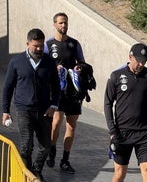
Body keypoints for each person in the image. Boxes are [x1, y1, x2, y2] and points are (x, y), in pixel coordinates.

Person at [1, 28, 60, 182]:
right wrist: (5, 110)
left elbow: (56, 86)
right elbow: (7, 87)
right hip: (24, 110)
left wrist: (54, 105)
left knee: (46, 146)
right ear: (27, 44)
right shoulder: (17, 61)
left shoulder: (48, 62)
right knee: (26, 146)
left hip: (44, 111)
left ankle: (35, 170)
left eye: (41, 45)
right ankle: (25, 177)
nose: (39, 49)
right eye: (35, 46)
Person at [104, 43, 147, 182]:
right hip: (122, 132)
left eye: (144, 61)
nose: (141, 64)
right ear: (130, 57)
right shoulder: (116, 76)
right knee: (120, 173)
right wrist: (112, 130)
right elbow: (107, 103)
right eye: (138, 60)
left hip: (145, 133)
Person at [44, 12, 85, 174]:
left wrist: (79, 68)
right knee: (56, 122)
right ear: (54, 24)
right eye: (61, 23)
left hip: (73, 92)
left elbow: (83, 63)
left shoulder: (74, 44)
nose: (64, 25)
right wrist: (54, 69)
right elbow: (42, 66)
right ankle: (52, 149)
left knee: (72, 126)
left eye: (66, 23)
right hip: (56, 90)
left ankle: (65, 160)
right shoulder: (48, 44)